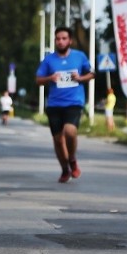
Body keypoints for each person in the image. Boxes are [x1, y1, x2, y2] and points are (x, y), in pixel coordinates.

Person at [35, 26, 95, 183]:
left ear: (70, 40)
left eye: (63, 38)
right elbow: (38, 80)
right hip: (54, 104)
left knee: (70, 131)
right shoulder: (49, 60)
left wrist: (81, 78)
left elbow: (92, 73)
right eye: (58, 39)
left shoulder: (79, 56)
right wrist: (50, 78)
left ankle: (72, 158)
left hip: (74, 102)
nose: (60, 41)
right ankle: (64, 169)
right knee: (57, 140)